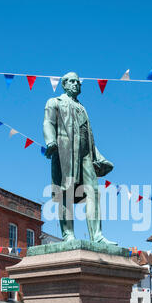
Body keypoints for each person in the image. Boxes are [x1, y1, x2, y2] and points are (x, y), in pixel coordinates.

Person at [43, 72, 116, 245]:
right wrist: (51, 141)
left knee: (93, 193)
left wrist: (98, 157)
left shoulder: (82, 107)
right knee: (66, 192)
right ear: (64, 84)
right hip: (64, 151)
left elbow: (89, 137)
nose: (76, 84)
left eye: (78, 82)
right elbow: (48, 123)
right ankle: (68, 234)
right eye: (72, 81)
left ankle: (97, 235)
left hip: (86, 156)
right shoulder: (55, 102)